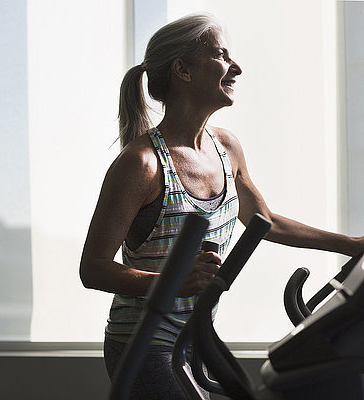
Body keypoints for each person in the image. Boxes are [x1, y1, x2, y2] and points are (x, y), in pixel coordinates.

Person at [79, 13, 364, 399]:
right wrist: (168, 283)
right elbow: (92, 268)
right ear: (183, 69)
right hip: (143, 342)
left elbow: (266, 222)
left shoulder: (225, 147)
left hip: (195, 338)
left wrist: (350, 244)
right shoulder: (141, 164)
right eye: (222, 55)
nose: (237, 67)